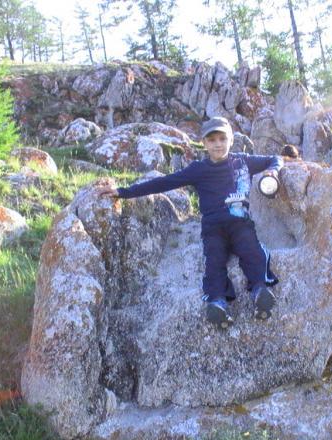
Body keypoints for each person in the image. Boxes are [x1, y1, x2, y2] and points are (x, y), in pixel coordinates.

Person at [99, 116, 283, 327]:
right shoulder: (198, 169)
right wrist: (123, 192)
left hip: (240, 222)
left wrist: (272, 171)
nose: (218, 144)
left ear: (231, 140)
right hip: (213, 228)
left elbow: (275, 159)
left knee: (252, 250)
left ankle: (260, 290)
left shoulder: (242, 161)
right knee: (214, 261)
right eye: (212, 140)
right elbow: (164, 182)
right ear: (204, 143)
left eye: (222, 139)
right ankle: (218, 303)